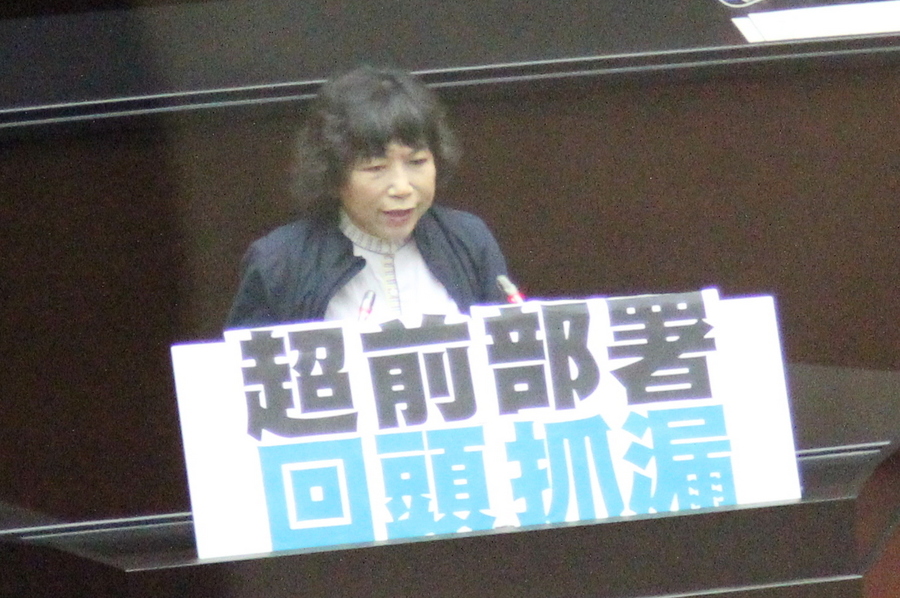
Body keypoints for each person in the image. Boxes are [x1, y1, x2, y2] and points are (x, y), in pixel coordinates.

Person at [225, 66, 511, 329]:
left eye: (417, 162)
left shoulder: (469, 239)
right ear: (334, 174)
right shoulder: (279, 263)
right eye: (376, 168)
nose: (402, 188)